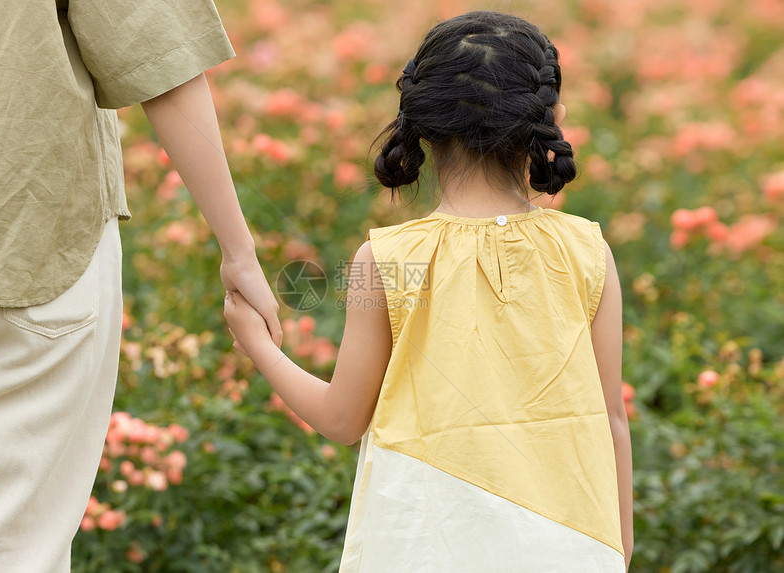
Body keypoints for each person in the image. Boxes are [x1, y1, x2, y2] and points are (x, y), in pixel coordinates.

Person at [223, 11, 633, 572]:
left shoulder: (387, 260)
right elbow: (612, 418)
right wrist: (617, 547)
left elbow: (342, 419)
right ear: (553, 117)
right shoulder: (588, 251)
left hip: (424, 542)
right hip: (571, 543)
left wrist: (258, 345)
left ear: (420, 123)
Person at [0, 1, 280, 571]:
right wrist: (239, 251)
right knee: (6, 553)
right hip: (34, 238)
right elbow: (161, 64)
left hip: (23, 249)